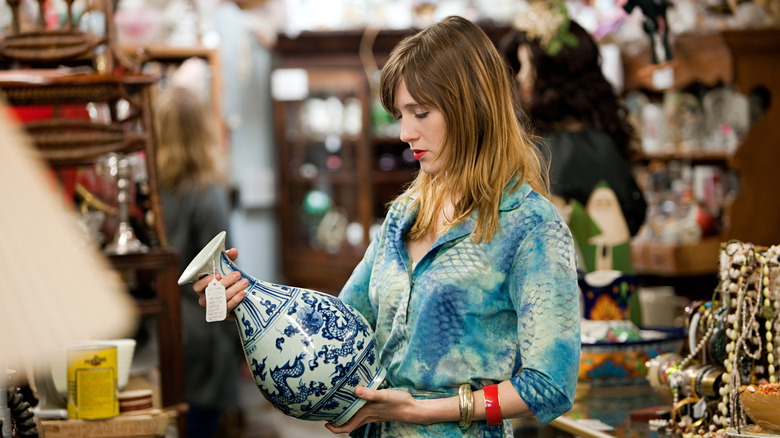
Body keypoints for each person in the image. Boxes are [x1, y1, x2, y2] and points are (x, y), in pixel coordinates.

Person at [192, 16, 580, 437]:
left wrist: (423, 410)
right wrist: (246, 299)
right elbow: (340, 329)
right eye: (400, 114)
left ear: (473, 107)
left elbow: (550, 385)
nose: (404, 132)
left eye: (421, 113)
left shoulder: (531, 226)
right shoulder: (405, 214)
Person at [501, 6, 648, 237]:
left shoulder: (555, 149)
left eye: (528, 66)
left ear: (555, 74)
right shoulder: (600, 143)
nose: (522, 77)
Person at [154, 85, 243, 438]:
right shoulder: (207, 194)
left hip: (166, 333)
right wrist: (242, 348)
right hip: (204, 335)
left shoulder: (152, 194)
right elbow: (226, 277)